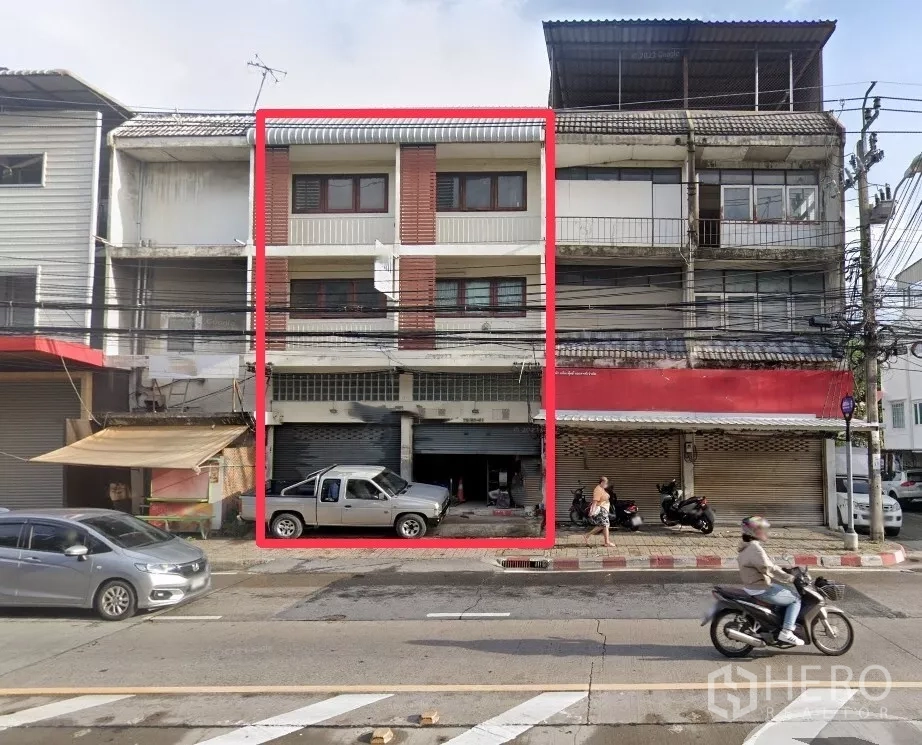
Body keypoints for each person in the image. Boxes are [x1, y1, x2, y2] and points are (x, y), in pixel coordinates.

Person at [737, 516, 804, 646]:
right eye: (761, 529)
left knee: (785, 591)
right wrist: (790, 578)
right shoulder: (755, 548)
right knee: (795, 598)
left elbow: (765, 565)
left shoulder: (746, 546)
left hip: (754, 586)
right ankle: (787, 631)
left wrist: (783, 570)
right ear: (754, 532)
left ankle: (777, 624)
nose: (765, 532)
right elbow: (768, 568)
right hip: (760, 588)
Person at [584, 476, 614, 547]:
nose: (607, 485)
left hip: (604, 509)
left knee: (602, 526)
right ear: (602, 482)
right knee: (605, 525)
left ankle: (587, 535)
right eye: (606, 483)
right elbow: (595, 501)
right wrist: (592, 511)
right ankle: (607, 542)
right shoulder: (598, 490)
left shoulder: (601, 488)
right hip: (602, 510)